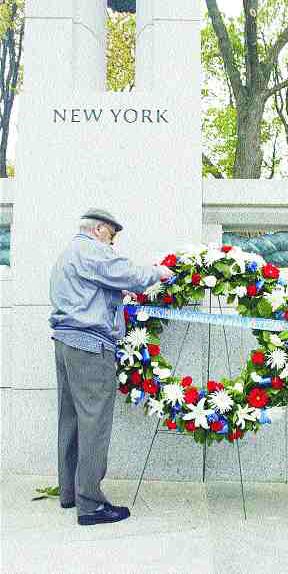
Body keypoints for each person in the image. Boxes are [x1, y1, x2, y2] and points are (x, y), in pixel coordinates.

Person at [49, 208, 173, 526]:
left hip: (65, 344)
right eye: (113, 235)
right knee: (94, 423)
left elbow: (97, 289)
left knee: (71, 420)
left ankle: (71, 494)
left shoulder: (68, 253)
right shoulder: (92, 250)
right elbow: (127, 272)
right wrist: (158, 272)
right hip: (91, 347)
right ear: (101, 230)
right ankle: (90, 505)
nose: (113, 243)